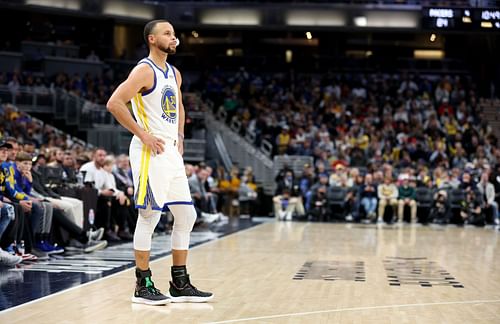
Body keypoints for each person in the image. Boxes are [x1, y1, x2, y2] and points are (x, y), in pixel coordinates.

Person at [106, 19, 212, 305]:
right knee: (150, 215)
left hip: (171, 152)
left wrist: (180, 134)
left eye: (175, 34)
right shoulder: (144, 70)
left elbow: (178, 105)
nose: (174, 38)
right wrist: (144, 134)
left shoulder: (174, 73)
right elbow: (114, 103)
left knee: (186, 216)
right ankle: (143, 284)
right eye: (167, 34)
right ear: (152, 39)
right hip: (148, 151)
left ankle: (179, 282)